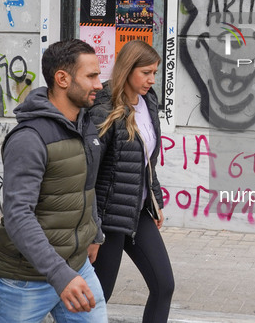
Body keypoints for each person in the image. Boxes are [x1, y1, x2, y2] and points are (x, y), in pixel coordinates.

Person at [0, 39, 108, 323]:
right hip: (25, 280)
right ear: (62, 79)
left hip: (77, 268)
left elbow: (85, 186)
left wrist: (95, 234)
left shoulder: (85, 125)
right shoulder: (30, 139)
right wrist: (59, 275)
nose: (99, 84)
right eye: (91, 76)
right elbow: (18, 216)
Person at [90, 39, 174, 323]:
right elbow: (89, 172)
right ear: (127, 69)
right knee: (99, 295)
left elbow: (146, 159)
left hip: (137, 213)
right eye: (146, 72)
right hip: (108, 216)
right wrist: (93, 230)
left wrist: (155, 199)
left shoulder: (148, 101)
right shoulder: (104, 106)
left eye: (155, 73)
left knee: (164, 285)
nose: (151, 79)